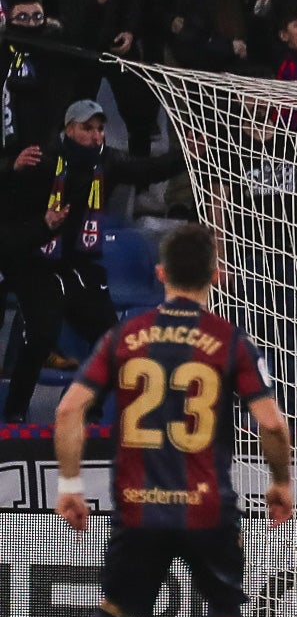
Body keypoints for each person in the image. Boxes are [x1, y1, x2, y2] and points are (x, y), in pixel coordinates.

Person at [38, 223, 294, 617]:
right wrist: (280, 483)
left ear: (158, 275)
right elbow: (272, 424)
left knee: (111, 611)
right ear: (217, 276)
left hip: (139, 507)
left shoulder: (126, 336)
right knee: (223, 604)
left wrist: (69, 486)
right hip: (207, 506)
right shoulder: (228, 340)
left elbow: (67, 409)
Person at [0, 100, 186, 424]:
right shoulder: (40, 162)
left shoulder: (108, 161)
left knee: (112, 340)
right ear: (69, 129)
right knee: (42, 335)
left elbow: (148, 169)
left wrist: (186, 156)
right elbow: (10, 227)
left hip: (79, 266)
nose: (97, 135)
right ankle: (14, 414)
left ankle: (90, 412)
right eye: (88, 129)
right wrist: (43, 224)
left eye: (100, 128)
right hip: (36, 263)